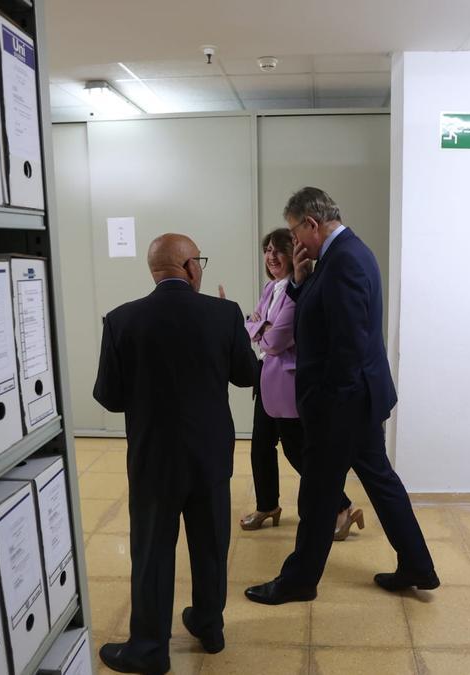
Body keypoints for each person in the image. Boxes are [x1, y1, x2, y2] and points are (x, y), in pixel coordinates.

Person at [245, 187, 439, 606]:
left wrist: (327, 412)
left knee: (317, 493)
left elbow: (347, 347)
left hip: (343, 405)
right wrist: (297, 282)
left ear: (312, 224)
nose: (294, 241)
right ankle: (418, 566)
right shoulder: (339, 256)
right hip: (357, 401)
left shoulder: (345, 261)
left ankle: (299, 581)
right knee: (380, 482)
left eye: (296, 232)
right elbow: (320, 312)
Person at [94, 234, 257, 674]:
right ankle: (209, 626)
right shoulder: (224, 314)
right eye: (198, 261)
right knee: (210, 544)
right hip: (209, 457)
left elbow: (109, 397)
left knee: (152, 550)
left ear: (155, 270)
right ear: (188, 267)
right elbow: (246, 376)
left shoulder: (122, 320)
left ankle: (148, 649)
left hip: (154, 460)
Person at [240, 228, 362, 540]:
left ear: (292, 254)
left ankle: (342, 506)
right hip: (267, 380)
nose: (270, 256)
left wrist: (258, 327)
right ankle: (268, 506)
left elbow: (276, 341)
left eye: (277, 249)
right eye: (266, 250)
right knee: (260, 447)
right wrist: (259, 325)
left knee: (298, 452)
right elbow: (255, 323)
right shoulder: (271, 289)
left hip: (289, 384)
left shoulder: (299, 291)